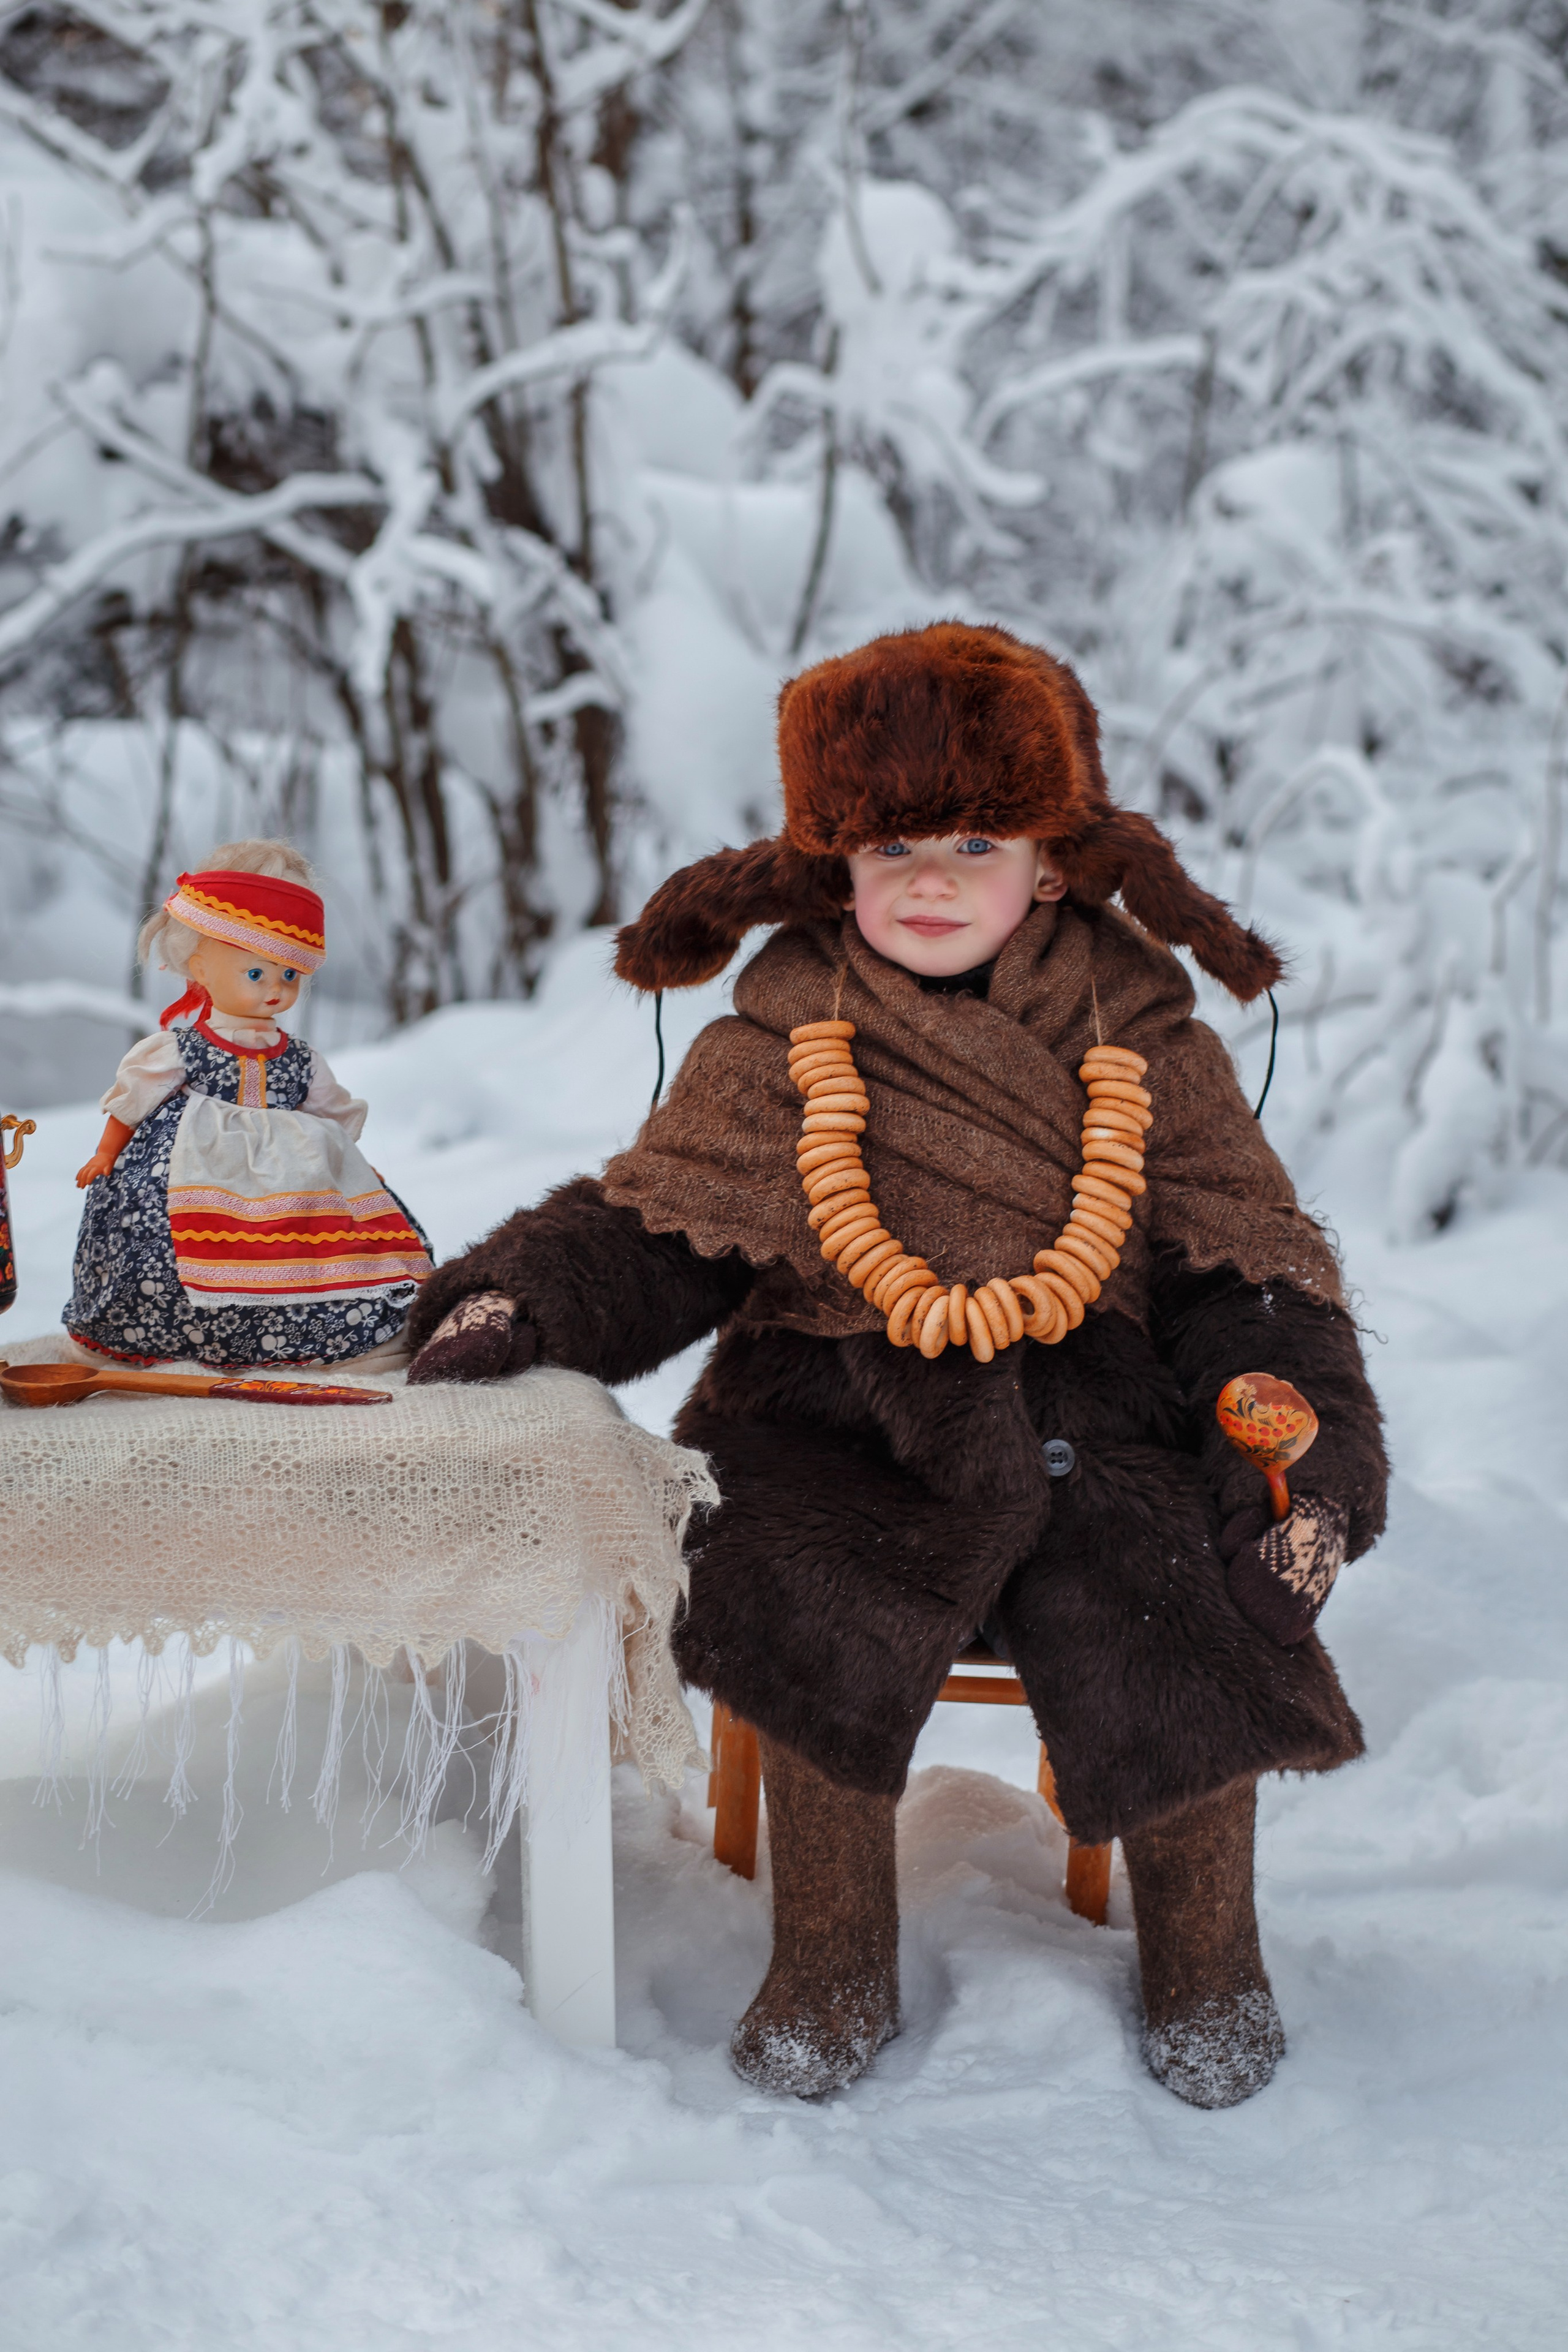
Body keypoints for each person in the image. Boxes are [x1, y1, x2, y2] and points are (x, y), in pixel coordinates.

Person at [405, 622, 1388, 2108]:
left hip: (1088, 1412)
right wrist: (525, 1299)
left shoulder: (1141, 1037)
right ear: (833, 865)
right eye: (889, 847)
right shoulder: (782, 1030)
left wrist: (1293, 1460)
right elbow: (665, 1227)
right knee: (802, 1582)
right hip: (832, 1403)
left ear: (1051, 862)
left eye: (974, 841)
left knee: (1179, 1589)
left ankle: (1208, 1960)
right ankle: (828, 1961)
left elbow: (1234, 1267)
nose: (928, 881)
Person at [69, 840, 431, 1368]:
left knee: (321, 1247)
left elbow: (332, 1113)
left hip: (296, 1170)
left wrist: (351, 1167)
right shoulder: (180, 1049)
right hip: (191, 1160)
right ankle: (162, 1333)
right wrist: (107, 1154)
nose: (275, 991)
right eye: (256, 974)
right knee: (157, 1239)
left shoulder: (302, 1059)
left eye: (289, 977)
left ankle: (317, 1335)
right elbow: (133, 1102)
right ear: (199, 968)